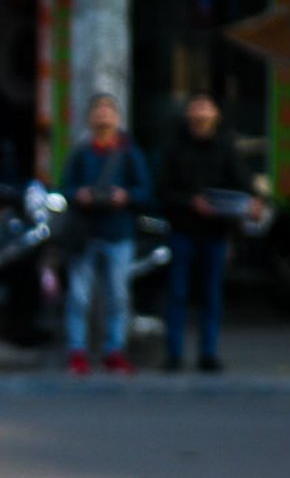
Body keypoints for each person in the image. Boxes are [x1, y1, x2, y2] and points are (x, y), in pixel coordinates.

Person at [155, 90, 261, 373]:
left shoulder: (226, 146)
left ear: (216, 114)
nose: (201, 113)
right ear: (188, 113)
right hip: (183, 230)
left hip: (216, 232)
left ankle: (208, 353)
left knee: (211, 295)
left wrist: (252, 201)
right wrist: (191, 202)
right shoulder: (175, 147)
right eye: (196, 107)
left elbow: (243, 182)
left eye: (206, 107)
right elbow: (163, 190)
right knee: (177, 294)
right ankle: (174, 354)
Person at [57, 93, 153, 375]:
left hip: (118, 233)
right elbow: (65, 190)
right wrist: (80, 195)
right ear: (89, 118)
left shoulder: (129, 153)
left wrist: (126, 196)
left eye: (108, 111)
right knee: (79, 297)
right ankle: (77, 352)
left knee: (118, 297)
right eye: (97, 110)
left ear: (118, 118)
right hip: (84, 235)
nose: (103, 116)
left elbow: (145, 192)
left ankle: (114, 351)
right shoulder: (81, 152)